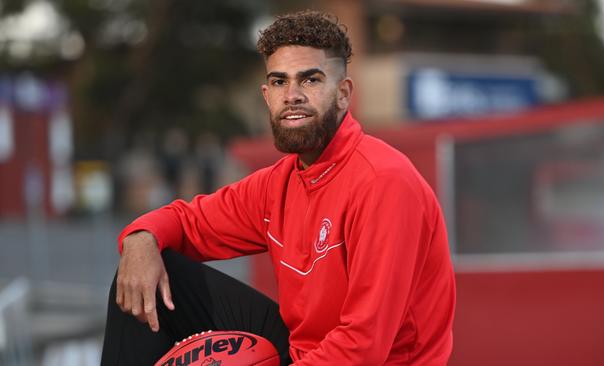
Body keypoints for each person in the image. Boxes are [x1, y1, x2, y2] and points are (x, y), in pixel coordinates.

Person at [101, 10, 455, 365]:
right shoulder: (279, 183)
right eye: (280, 82)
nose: (293, 95)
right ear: (267, 95)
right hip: (306, 353)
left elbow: (363, 347)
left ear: (344, 94)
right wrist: (139, 240)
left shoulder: (383, 182)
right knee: (143, 274)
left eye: (311, 80)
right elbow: (186, 222)